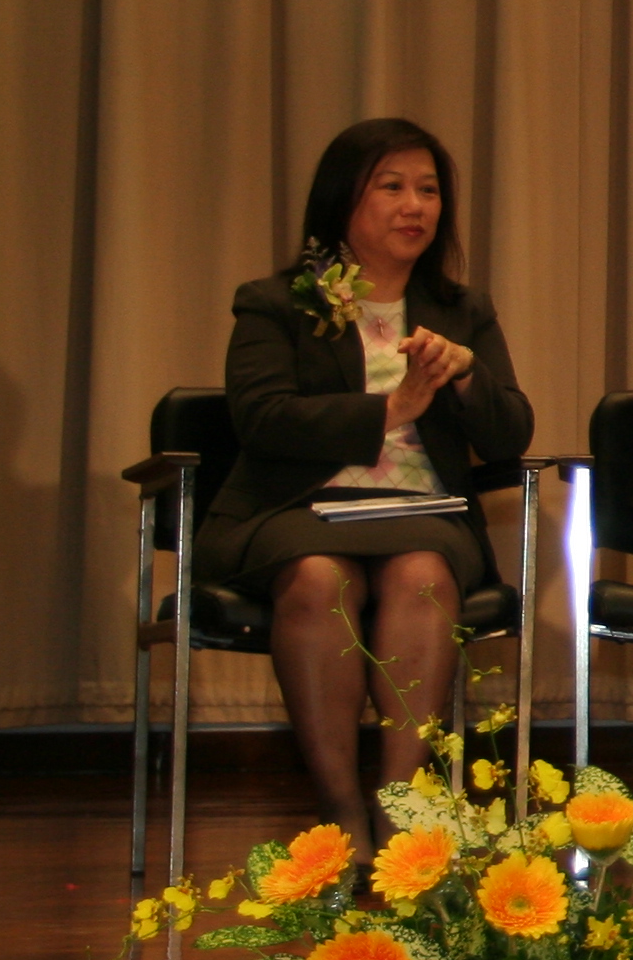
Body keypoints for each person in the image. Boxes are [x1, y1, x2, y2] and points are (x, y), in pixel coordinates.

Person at [208, 119, 534, 852]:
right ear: (343, 200)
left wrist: (467, 375)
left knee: (423, 576)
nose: (415, 206)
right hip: (299, 509)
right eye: (392, 187)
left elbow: (509, 435)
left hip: (424, 511)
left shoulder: (462, 310)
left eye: (428, 190)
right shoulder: (275, 302)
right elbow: (261, 418)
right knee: (319, 578)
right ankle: (338, 811)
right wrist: (391, 410)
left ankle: (397, 807)